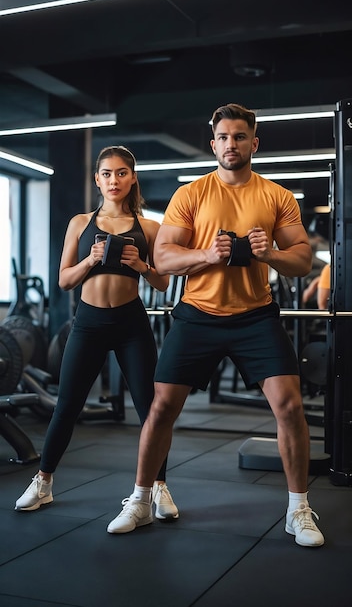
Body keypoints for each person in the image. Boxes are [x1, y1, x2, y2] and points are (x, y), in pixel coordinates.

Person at [107, 104, 325, 547]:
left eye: (240, 137)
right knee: (162, 407)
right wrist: (206, 255)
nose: (231, 144)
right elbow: (164, 258)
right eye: (224, 137)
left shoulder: (276, 196)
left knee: (289, 406)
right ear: (214, 144)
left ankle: (298, 508)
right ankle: (141, 499)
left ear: (254, 143)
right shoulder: (191, 194)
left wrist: (270, 256)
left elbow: (302, 260)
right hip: (197, 315)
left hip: (255, 315)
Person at [15, 145, 179, 522]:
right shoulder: (80, 223)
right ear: (97, 180)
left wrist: (141, 264)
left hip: (130, 324)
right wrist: (90, 259)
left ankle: (159, 486)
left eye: (121, 173)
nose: (114, 180)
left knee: (151, 410)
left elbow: (162, 282)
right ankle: (43, 481)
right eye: (106, 173)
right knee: (67, 405)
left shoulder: (149, 227)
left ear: (132, 177)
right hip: (87, 323)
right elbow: (63, 281)